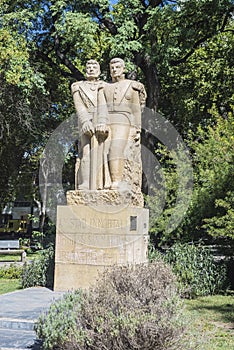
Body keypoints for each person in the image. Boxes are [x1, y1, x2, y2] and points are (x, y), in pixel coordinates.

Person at [103, 58, 147, 190]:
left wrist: (137, 129)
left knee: (115, 148)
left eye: (117, 67)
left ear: (124, 69)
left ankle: (116, 180)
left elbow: (136, 110)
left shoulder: (132, 86)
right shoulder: (105, 87)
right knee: (104, 150)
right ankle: (105, 181)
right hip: (107, 120)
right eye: (112, 68)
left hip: (124, 120)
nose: (114, 70)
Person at [71, 60, 109, 190]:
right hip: (85, 122)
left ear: (99, 70)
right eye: (89, 67)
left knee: (105, 153)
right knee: (86, 151)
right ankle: (85, 183)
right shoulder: (77, 86)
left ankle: (103, 184)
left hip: (102, 121)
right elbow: (79, 106)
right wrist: (85, 121)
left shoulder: (105, 85)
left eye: (94, 67)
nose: (91, 69)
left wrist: (103, 121)